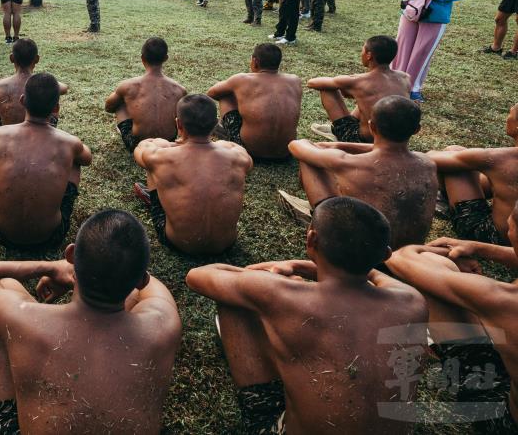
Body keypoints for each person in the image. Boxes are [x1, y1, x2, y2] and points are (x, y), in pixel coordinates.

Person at [186, 196, 428, 435]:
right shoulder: (412, 302)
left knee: (233, 301)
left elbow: (199, 275)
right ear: (385, 255)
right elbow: (376, 277)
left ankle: (260, 408)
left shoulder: (285, 296)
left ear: (312, 239)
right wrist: (301, 267)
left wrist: (272, 278)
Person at [0, 209, 181, 435]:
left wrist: (52, 267)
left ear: (71, 254)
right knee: (136, 298)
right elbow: (150, 285)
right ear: (141, 279)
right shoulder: (163, 325)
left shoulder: (22, 319)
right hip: (114, 275)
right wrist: (114, 269)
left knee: (8, 286)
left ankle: (8, 419)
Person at [386, 223, 518, 434]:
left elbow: (400, 258)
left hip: (505, 424)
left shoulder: (503, 301)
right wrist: (478, 247)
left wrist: (447, 253)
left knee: (429, 268)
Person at [284, 95, 437, 248]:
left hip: (360, 254)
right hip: (407, 255)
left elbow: (296, 145)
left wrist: (332, 147)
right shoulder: (428, 163)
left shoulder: (347, 162)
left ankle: (318, 215)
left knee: (307, 159)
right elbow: (391, 151)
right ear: (417, 130)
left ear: (372, 127)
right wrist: (339, 146)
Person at [0, 73, 91, 249]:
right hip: (51, 239)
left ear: (22, 100)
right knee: (75, 160)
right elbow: (87, 158)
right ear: (56, 108)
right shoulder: (69, 142)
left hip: (3, 236)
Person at [134, 94, 253, 253]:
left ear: (179, 124)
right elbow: (241, 158)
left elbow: (142, 147)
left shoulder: (159, 157)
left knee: (154, 167)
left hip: (180, 244)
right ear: (215, 124)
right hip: (225, 245)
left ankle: (156, 198)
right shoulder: (239, 156)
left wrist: (176, 145)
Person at [425, 103, 518, 244]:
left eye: (510, 115)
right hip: (513, 231)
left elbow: (432, 159)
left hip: (495, 237)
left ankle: (444, 200)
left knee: (454, 159)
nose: (507, 118)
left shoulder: (503, 158)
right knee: (459, 153)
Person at [206, 42, 302, 161]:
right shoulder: (295, 80)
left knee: (226, 96)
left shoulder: (242, 79)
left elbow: (211, 93)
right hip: (286, 152)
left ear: (255, 62)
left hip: (249, 152)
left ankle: (227, 131)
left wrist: (240, 96)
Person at [307, 35, 410, 143]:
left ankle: (340, 132)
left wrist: (345, 86)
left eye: (363, 50)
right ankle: (343, 126)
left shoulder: (358, 81)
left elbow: (312, 83)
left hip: (363, 141)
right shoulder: (405, 77)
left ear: (369, 55)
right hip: (396, 140)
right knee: (369, 98)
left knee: (326, 88)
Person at [105, 37, 188, 154]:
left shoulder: (128, 86)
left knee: (120, 103)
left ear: (142, 58)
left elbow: (108, 107)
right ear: (166, 58)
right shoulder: (179, 89)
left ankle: (127, 129)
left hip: (137, 145)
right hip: (167, 144)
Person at [0, 38, 69, 127]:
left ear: (11, 58)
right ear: (37, 59)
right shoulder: (42, 84)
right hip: (39, 132)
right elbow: (64, 88)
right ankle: (50, 126)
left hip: (8, 135)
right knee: (53, 92)